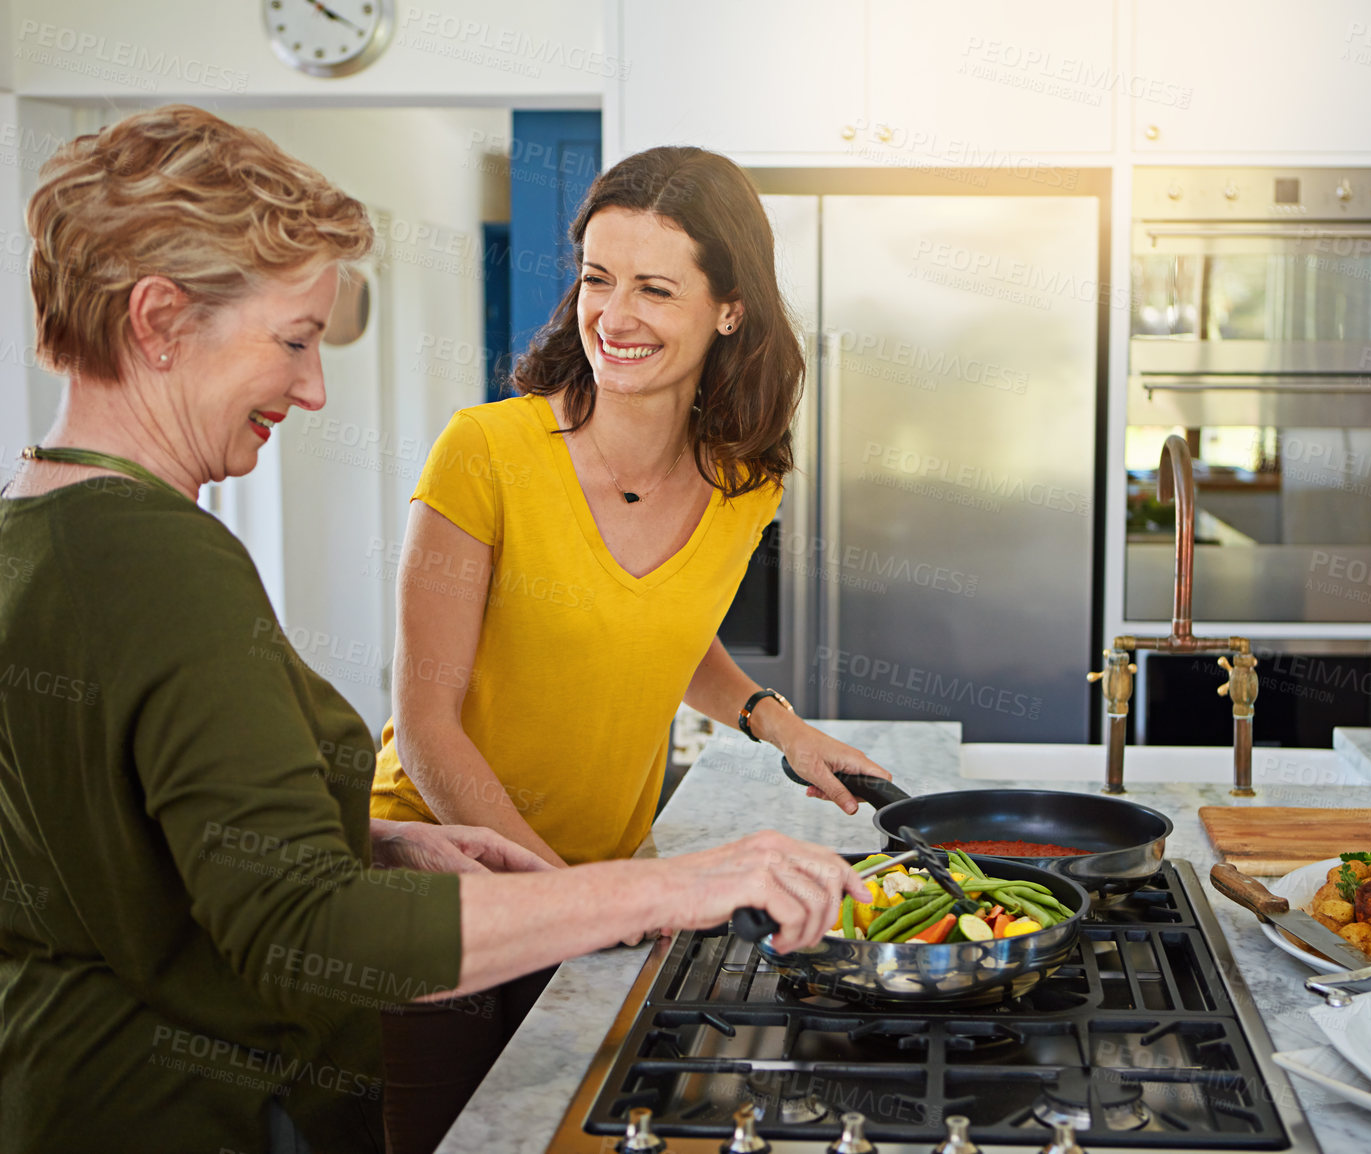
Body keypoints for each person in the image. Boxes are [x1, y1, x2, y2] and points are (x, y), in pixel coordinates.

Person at [0, 105, 865, 1154]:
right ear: (157, 321)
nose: (315, 387)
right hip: (183, 1107)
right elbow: (301, 925)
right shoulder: (164, 560)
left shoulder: (41, 533)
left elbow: (116, 845)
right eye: (295, 339)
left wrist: (370, 839)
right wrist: (661, 885)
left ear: (730, 311)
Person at [365, 146, 894, 1149]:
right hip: (450, 895)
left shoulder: (746, 481)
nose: (613, 315)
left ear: (727, 308)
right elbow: (428, 728)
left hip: (607, 885)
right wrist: (570, 894)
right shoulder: (485, 453)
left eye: (654, 286)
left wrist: (776, 722)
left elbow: (660, 630)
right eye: (598, 279)